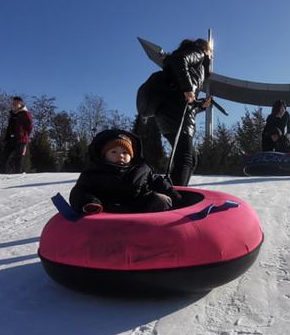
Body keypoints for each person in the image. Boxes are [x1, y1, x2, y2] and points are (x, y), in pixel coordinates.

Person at [69, 129, 181, 214]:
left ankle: (162, 231)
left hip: (140, 210)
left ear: (132, 156)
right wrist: (90, 202)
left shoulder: (142, 169)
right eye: (114, 152)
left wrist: (175, 196)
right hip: (107, 213)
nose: (120, 156)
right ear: (103, 155)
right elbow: (79, 191)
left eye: (125, 152)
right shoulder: (93, 173)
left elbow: (159, 182)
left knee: (161, 199)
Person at [154, 38, 213, 186]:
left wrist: (201, 106)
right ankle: (174, 197)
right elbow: (179, 59)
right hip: (174, 113)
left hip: (171, 113)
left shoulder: (193, 68)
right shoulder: (198, 53)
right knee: (186, 157)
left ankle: (173, 192)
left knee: (190, 158)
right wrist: (188, 88)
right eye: (210, 51)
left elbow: (186, 101)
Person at [4, 96, 33, 173]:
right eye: (13, 103)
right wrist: (7, 136)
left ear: (20, 103)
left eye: (15, 103)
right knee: (5, 156)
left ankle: (18, 175)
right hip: (11, 138)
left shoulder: (25, 114)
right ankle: (6, 173)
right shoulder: (12, 114)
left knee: (19, 158)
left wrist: (24, 135)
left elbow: (29, 127)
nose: (14, 104)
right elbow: (10, 126)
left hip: (21, 139)